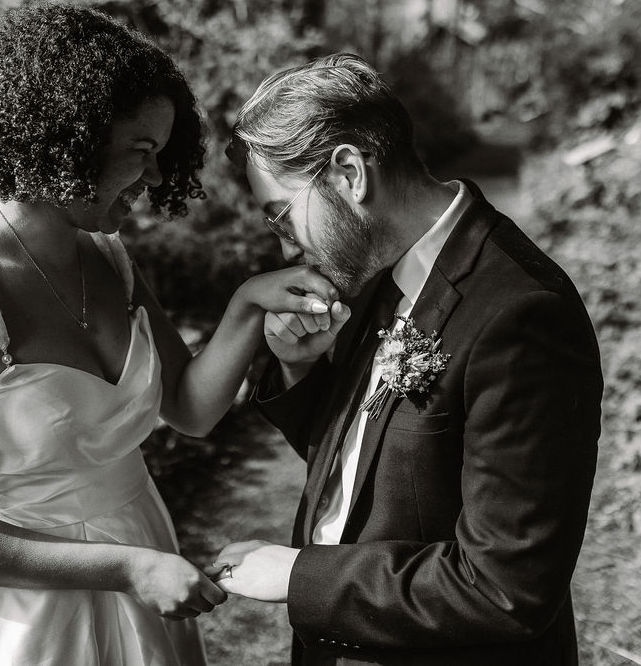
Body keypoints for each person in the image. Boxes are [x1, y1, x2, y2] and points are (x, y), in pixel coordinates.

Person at [0, 3, 339, 666]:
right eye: (141, 151)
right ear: (68, 134)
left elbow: (192, 410)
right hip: (29, 617)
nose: (155, 177)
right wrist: (127, 568)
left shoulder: (107, 256)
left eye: (162, 155)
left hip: (146, 562)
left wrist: (248, 306)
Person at [208, 53, 605, 665]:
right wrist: (300, 370)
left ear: (348, 172)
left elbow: (505, 589)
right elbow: (373, 465)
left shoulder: (521, 315)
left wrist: (297, 579)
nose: (283, 245)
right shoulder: (379, 267)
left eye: (283, 215)